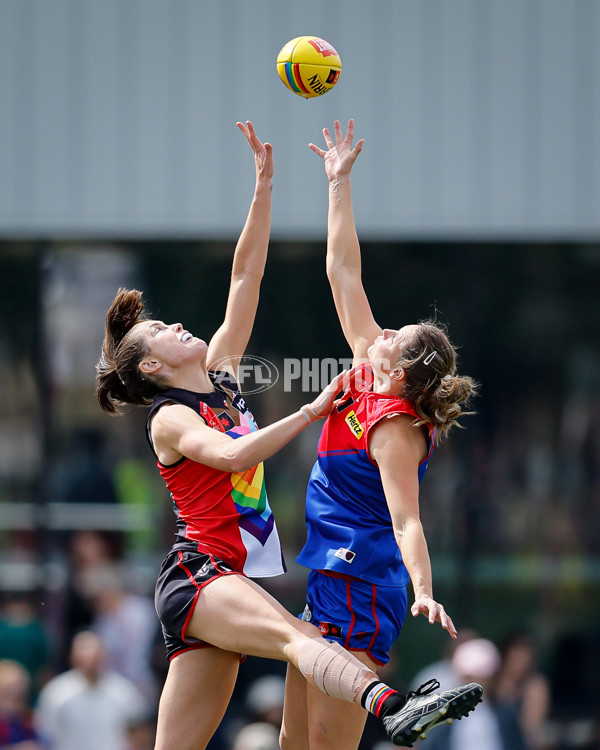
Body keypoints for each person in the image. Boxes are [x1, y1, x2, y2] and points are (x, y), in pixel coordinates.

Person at [95, 121, 470, 750]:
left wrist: (264, 187)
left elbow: (246, 278)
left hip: (262, 577)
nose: (178, 323)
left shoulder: (222, 375)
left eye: (394, 337)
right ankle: (395, 708)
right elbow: (234, 452)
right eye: (161, 328)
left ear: (398, 369)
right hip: (203, 575)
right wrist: (310, 411)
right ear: (152, 368)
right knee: (305, 645)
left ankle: (394, 706)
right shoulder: (169, 417)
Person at [280, 119, 483, 750]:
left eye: (398, 339)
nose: (385, 333)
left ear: (403, 372)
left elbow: (408, 523)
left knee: (326, 746)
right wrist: (338, 184)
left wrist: (424, 590)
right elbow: (342, 271)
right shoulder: (373, 371)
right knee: (292, 740)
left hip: (364, 579)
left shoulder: (396, 426)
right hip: (331, 570)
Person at [34, 631, 148, 750]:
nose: (90, 660)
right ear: (73, 657)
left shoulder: (125, 691)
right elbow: (45, 733)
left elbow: (139, 733)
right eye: (84, 655)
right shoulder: (55, 692)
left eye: (95, 654)